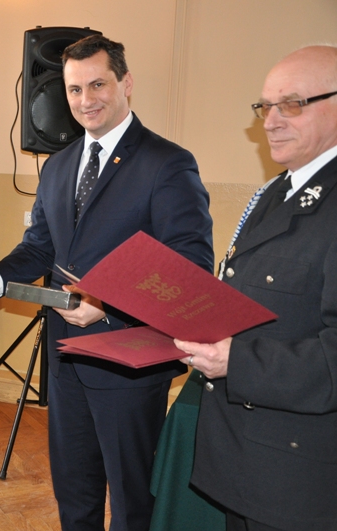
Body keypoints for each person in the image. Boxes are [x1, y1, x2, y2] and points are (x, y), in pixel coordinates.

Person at [0, 35, 214, 531]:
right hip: (65, 360)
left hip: (128, 363)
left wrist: (109, 303)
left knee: (130, 501)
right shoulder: (58, 166)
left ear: (126, 83)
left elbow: (190, 268)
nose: (86, 100)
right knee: (74, 493)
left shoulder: (167, 163)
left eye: (98, 85)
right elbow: (40, 247)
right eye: (75, 89)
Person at [175, 45, 337, 531]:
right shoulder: (277, 191)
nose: (270, 121)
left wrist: (238, 361)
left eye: (292, 104)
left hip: (300, 478)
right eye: (265, 106)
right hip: (248, 460)